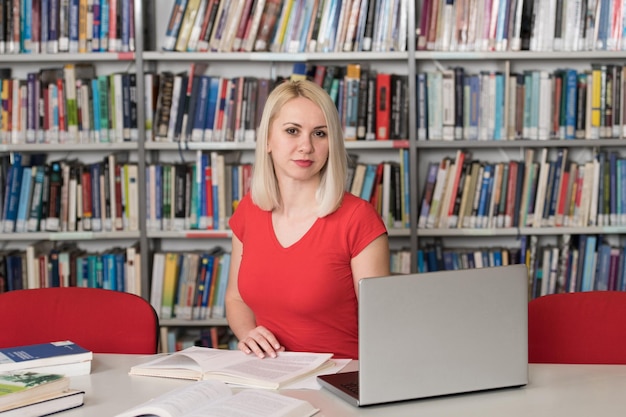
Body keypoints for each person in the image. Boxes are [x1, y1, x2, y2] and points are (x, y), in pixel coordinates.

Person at [225, 79, 390, 360]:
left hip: (340, 379)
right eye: (292, 131)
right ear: (267, 139)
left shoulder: (357, 219)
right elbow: (235, 298)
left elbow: (382, 326)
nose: (306, 146)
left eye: (320, 134)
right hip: (268, 375)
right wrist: (248, 334)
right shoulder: (249, 210)